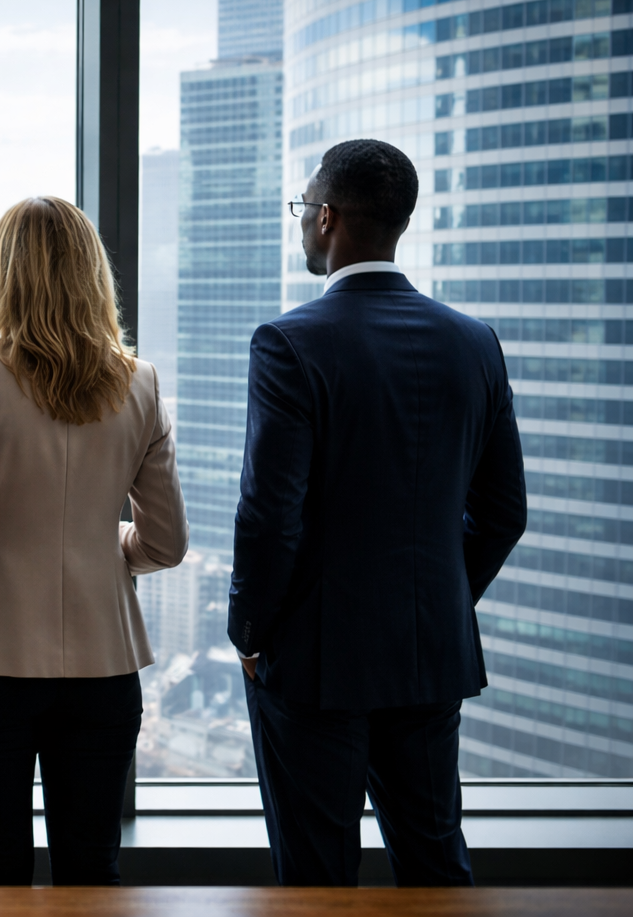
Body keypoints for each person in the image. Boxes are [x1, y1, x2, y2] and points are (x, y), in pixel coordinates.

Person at [231, 139, 528, 887]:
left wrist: (250, 631)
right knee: (435, 865)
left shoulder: (289, 343)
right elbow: (503, 513)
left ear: (328, 217)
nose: (303, 222)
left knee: (317, 880)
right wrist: (434, 600)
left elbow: (270, 517)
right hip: (429, 655)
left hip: (316, 660)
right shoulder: (476, 343)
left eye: (304, 208)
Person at [0, 196, 188, 886]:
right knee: (91, 870)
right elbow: (166, 544)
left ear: (2, 275)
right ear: (93, 275)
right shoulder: (141, 382)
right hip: (104, 661)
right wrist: (100, 546)